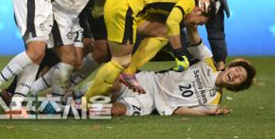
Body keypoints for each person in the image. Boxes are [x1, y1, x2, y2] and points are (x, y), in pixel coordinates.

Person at [84, 0, 209, 100]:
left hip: (122, 3)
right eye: (198, 22)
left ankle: (129, 72)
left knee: (163, 32)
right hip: (125, 7)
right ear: (199, 11)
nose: (194, 25)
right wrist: (180, 54)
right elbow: (173, 22)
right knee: (120, 62)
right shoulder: (189, 1)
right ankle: (88, 101)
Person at [108, 42, 256, 116]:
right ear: (230, 67)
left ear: (236, 87)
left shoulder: (212, 103)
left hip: (151, 103)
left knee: (115, 111)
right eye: (237, 70)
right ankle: (86, 93)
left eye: (239, 78)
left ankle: (85, 111)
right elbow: (195, 39)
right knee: (113, 84)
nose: (236, 75)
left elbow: (179, 110)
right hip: (150, 81)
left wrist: (206, 113)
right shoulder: (207, 61)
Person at [176, 0, 236, 70]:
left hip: (173, 31)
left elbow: (216, 33)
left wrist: (220, 60)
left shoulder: (217, 1)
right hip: (151, 25)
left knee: (198, 61)